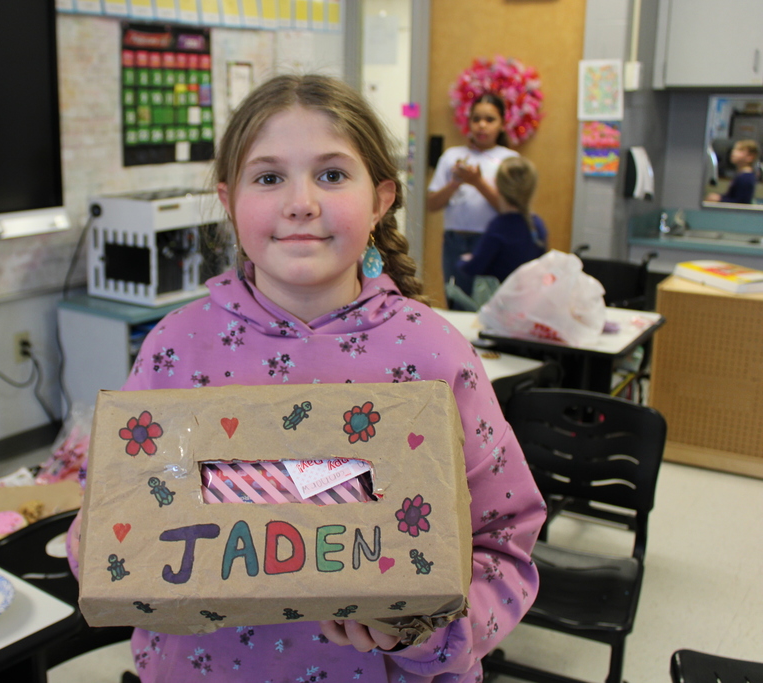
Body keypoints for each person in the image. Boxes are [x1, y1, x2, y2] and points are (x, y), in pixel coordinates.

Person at [66, 74, 545, 682]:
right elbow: (109, 509)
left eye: (331, 174)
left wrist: (426, 632)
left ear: (380, 199)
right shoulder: (175, 350)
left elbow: (506, 537)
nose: (301, 202)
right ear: (230, 199)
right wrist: (108, 549)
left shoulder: (433, 354)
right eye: (268, 178)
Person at [427, 93, 518, 302]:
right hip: (455, 242)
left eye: (490, 119)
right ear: (468, 122)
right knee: (457, 299)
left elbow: (509, 210)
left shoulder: (509, 160)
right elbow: (432, 204)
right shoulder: (452, 156)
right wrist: (455, 182)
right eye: (476, 119)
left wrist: (478, 182)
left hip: (493, 242)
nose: (482, 125)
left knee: (491, 304)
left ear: (502, 124)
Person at [457, 156, 548, 284]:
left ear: (497, 185)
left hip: (501, 300)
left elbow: (472, 268)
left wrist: (464, 260)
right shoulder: (537, 225)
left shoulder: (499, 227)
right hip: (528, 299)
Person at [706, 138, 759, 204]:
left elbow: (741, 203)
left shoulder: (746, 178)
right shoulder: (741, 175)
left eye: (740, 150)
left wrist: (720, 199)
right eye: (734, 149)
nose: (734, 152)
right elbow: (732, 196)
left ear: (750, 157)